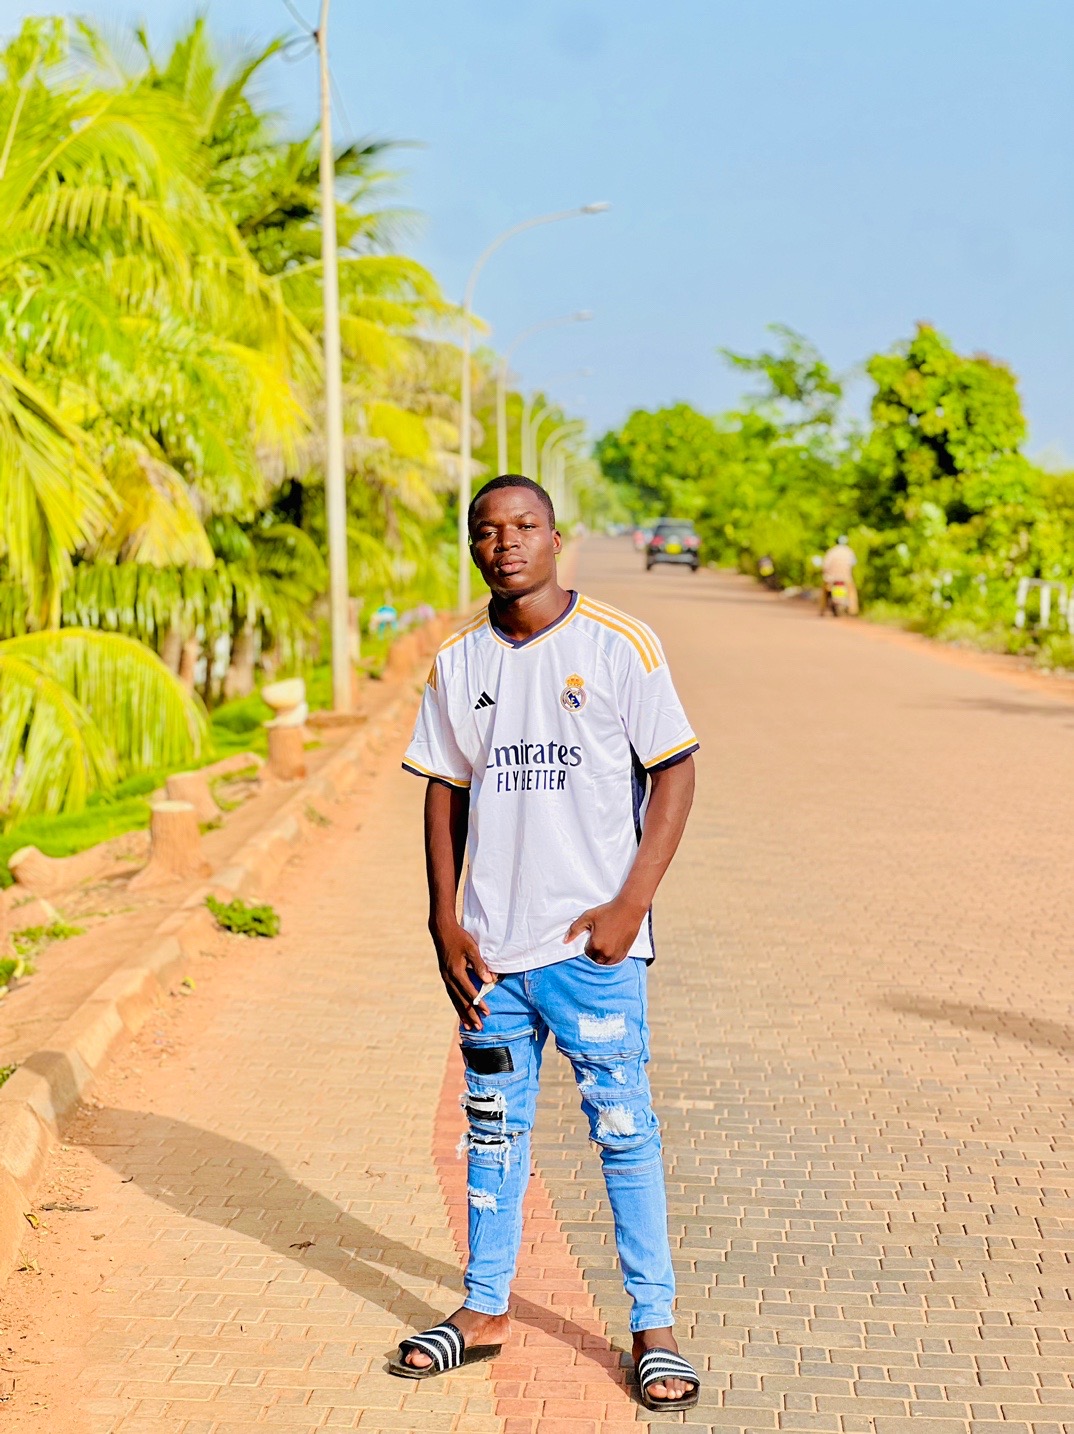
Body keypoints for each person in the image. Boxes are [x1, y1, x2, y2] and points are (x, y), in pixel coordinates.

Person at [390, 474, 701, 1411]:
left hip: (591, 951)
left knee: (623, 1131)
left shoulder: (617, 644)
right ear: (473, 547)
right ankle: (484, 1309)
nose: (507, 543)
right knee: (491, 1132)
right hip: (491, 954)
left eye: (524, 525)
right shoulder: (458, 661)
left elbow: (676, 773)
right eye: (488, 531)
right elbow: (444, 790)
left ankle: (654, 1327)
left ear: (556, 538)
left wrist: (630, 906)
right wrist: (444, 920)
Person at [819, 534, 858, 615]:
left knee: (824, 593)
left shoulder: (832, 551)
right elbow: (854, 563)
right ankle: (853, 610)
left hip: (830, 578)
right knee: (852, 592)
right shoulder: (849, 551)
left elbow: (825, 565)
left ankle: (822, 610)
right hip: (845, 578)